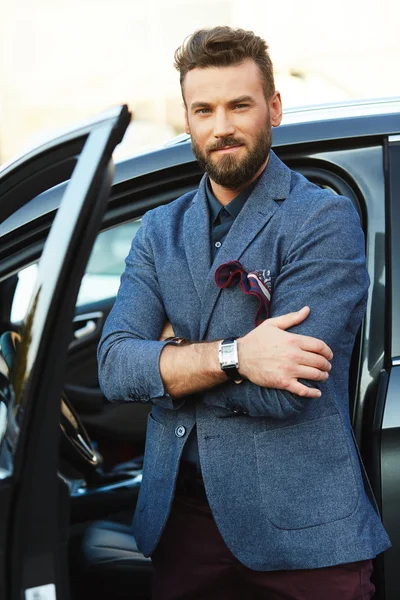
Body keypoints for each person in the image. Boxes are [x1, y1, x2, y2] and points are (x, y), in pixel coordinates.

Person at [98, 26, 390, 600]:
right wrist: (239, 355)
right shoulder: (159, 230)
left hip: (304, 537)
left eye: (239, 105)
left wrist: (171, 364)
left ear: (273, 108)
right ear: (187, 118)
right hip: (183, 530)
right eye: (203, 109)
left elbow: (287, 387)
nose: (221, 126)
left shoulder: (321, 219)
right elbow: (113, 366)